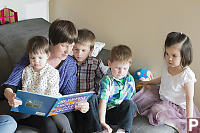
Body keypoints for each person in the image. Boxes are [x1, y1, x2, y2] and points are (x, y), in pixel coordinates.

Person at [0, 19, 78, 133]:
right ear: (51, 41)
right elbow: (10, 83)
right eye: (64, 46)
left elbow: (69, 95)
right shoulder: (33, 57)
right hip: (30, 109)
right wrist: (10, 95)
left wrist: (79, 104)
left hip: (52, 108)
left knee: (69, 118)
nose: (68, 51)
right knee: (49, 124)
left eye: (71, 46)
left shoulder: (70, 64)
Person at [133, 32, 200, 133]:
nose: (169, 58)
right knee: (142, 94)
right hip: (162, 96)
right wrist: (148, 82)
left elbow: (189, 99)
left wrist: (190, 121)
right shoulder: (167, 65)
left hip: (177, 106)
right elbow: (163, 78)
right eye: (167, 54)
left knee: (157, 110)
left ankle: (176, 124)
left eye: (174, 55)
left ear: (184, 56)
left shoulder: (187, 75)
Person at [53, 28, 106, 133]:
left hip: (90, 99)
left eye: (83, 50)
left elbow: (105, 80)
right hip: (74, 100)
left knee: (93, 98)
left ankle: (98, 130)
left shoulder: (95, 63)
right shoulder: (68, 62)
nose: (79, 54)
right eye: (76, 49)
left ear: (90, 50)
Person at [98, 45, 137, 133]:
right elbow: (103, 101)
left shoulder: (130, 79)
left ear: (129, 66)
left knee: (130, 104)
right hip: (109, 112)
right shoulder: (107, 80)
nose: (121, 72)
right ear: (109, 64)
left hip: (122, 112)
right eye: (117, 68)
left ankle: (122, 130)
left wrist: (132, 110)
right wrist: (102, 122)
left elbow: (133, 98)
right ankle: (104, 129)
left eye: (125, 68)